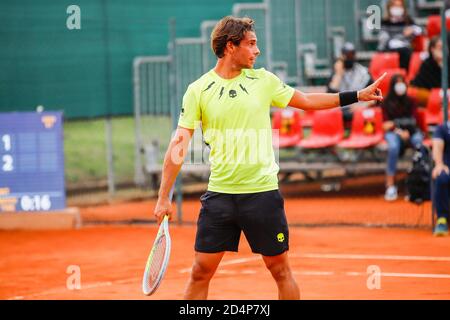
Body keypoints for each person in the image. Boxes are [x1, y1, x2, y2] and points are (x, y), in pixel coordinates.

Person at [153, 16, 385, 300]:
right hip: (220, 197)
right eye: (251, 44)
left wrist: (357, 95)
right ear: (230, 47)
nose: (257, 50)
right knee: (200, 271)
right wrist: (164, 196)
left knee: (280, 270)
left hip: (261, 195)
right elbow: (179, 143)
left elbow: (308, 101)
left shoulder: (263, 80)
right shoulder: (198, 90)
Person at [382, 73, 423, 201]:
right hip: (395, 133)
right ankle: (390, 185)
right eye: (397, 83)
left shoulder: (411, 100)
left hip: (411, 132)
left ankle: (418, 183)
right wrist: (399, 129)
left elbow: (413, 121)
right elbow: (386, 125)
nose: (400, 86)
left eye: (402, 83)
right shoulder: (386, 102)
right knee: (393, 147)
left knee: (419, 143)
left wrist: (405, 129)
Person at [327, 42, 373, 127]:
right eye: (347, 55)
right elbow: (329, 95)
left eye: (352, 54)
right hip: (340, 109)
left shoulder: (363, 72)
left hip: (358, 107)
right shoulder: (337, 72)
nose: (349, 57)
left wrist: (362, 106)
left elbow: (374, 96)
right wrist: (338, 74)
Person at [378, 0, 422, 71]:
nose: (397, 8)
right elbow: (384, 38)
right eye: (395, 6)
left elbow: (420, 30)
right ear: (389, 8)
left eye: (399, 6)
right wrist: (401, 36)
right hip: (389, 47)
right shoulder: (385, 22)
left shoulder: (408, 20)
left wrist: (412, 30)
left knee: (405, 52)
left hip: (405, 47)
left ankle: (404, 74)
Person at [410, 36, 450, 106]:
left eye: (445, 47)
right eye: (440, 47)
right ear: (432, 49)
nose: (443, 50)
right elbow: (419, 84)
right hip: (432, 98)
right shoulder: (427, 64)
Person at [431, 123, 450, 236]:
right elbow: (437, 146)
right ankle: (442, 220)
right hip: (447, 167)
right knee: (441, 177)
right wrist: (439, 164)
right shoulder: (442, 129)